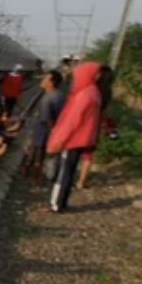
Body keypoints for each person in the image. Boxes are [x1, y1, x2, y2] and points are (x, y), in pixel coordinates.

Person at [46, 61, 104, 213]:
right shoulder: (94, 92)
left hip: (73, 140)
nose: (74, 80)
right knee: (70, 172)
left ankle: (56, 205)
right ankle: (62, 203)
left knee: (63, 173)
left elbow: (72, 121)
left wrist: (59, 141)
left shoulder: (84, 95)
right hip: (82, 140)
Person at [75, 65, 115, 191]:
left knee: (74, 151)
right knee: (88, 154)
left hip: (84, 123)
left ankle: (70, 176)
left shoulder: (91, 89)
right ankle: (81, 182)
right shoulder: (108, 91)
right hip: (96, 125)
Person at [23, 70, 66, 185]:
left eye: (45, 79)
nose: (41, 80)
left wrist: (52, 130)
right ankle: (32, 175)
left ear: (51, 83)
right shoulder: (60, 94)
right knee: (40, 154)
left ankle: (35, 179)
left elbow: (47, 119)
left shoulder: (47, 99)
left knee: (38, 155)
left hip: (42, 130)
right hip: (50, 128)